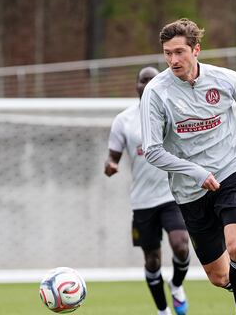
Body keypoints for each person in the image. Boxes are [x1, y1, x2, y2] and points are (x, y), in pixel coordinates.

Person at [140, 18, 236, 315]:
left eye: (179, 52)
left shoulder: (223, 79)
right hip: (190, 191)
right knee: (220, 277)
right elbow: (153, 151)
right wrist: (196, 173)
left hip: (230, 173)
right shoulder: (156, 92)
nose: (173, 60)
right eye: (167, 53)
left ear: (197, 50)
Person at [105, 66, 191, 315]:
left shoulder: (172, 113)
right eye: (143, 81)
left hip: (172, 195)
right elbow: (112, 158)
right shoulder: (124, 120)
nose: (146, 84)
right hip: (143, 202)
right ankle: (162, 311)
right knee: (152, 259)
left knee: (181, 245)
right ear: (136, 86)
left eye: (152, 80)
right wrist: (110, 166)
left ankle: (176, 285)